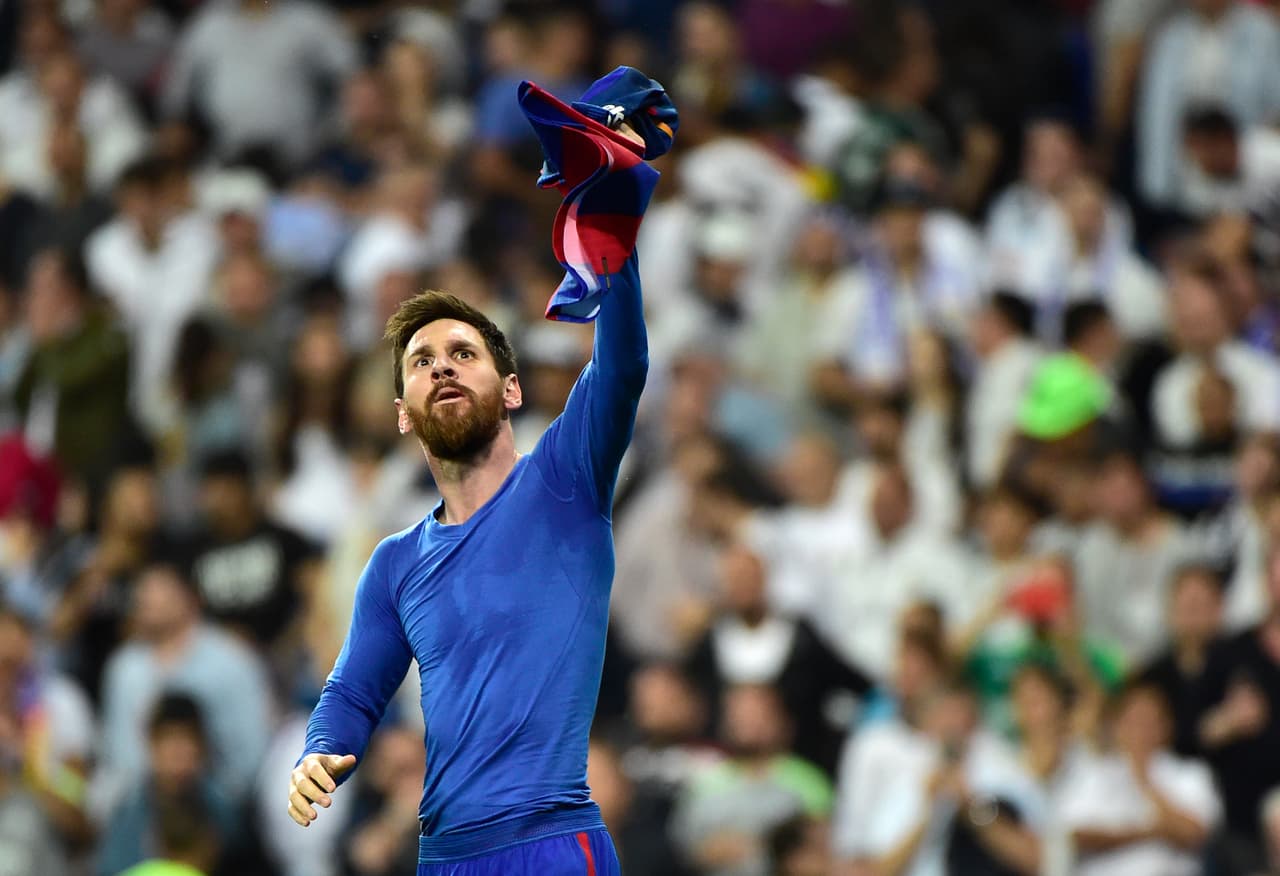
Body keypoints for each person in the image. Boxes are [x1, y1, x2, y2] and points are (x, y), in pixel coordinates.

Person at [290, 73, 667, 876]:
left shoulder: (566, 479)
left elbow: (625, 362)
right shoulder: (394, 564)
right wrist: (321, 751)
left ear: (513, 389)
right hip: (445, 858)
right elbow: (354, 693)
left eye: (464, 353)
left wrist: (611, 241)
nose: (444, 368)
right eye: (422, 362)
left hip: (554, 846)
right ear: (402, 411)